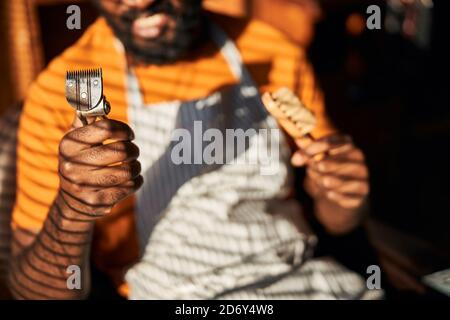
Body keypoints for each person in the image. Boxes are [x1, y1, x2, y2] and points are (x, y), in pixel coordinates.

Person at [8, 0, 372, 299]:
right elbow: (34, 293)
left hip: (302, 280)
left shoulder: (271, 50)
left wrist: (345, 198)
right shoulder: (60, 93)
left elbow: (338, 220)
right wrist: (72, 210)